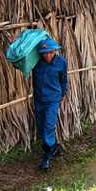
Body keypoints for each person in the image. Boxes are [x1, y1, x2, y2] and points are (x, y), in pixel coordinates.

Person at [32, 38, 68, 170]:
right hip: (39, 99)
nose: (48, 55)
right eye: (45, 53)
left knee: (48, 125)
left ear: (55, 51)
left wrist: (63, 93)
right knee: (41, 125)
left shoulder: (61, 62)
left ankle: (48, 153)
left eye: (51, 52)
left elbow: (64, 80)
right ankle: (54, 147)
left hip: (53, 99)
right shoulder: (36, 62)